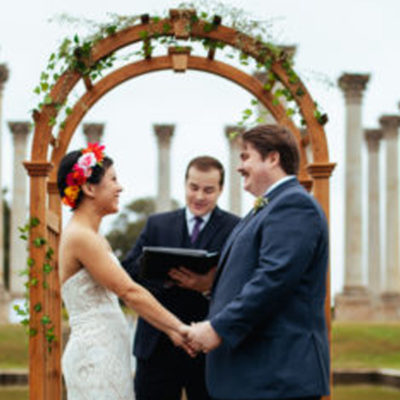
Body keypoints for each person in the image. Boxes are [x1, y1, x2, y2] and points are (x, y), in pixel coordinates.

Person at [187, 125, 330, 400]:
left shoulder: (294, 206)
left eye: (246, 157)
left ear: (273, 158)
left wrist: (218, 328)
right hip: (254, 377)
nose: (240, 167)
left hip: (275, 377)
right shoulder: (268, 207)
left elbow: (273, 279)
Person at [58, 143, 192, 400]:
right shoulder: (82, 237)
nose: (120, 187)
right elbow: (129, 291)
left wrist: (172, 332)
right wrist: (180, 328)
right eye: (113, 180)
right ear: (88, 188)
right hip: (95, 357)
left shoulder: (92, 235)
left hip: (107, 353)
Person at [122, 156, 240, 400]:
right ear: (185, 184)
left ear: (220, 190)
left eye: (208, 190)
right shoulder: (157, 224)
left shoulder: (235, 228)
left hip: (209, 349)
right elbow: (127, 272)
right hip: (156, 345)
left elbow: (240, 285)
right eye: (193, 188)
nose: (199, 196)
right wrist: (165, 277)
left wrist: (206, 287)